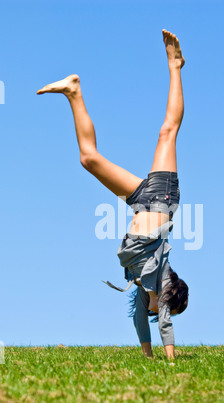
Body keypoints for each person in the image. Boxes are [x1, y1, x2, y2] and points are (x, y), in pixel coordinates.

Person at [37, 29, 189, 359]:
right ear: (167, 298)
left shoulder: (139, 288)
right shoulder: (160, 277)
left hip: (139, 202)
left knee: (88, 159)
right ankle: (175, 66)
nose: (156, 312)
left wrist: (147, 358)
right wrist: (171, 361)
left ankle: (73, 92)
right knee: (167, 131)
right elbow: (164, 324)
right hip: (162, 198)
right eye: (164, 308)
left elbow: (139, 319)